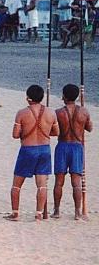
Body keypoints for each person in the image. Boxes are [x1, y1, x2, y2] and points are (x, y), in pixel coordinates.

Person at [5, 85, 59, 221]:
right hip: (44, 149)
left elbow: (15, 135)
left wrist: (27, 132)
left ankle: (15, 213)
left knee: (16, 185)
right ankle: (39, 214)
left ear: (28, 98)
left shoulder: (22, 113)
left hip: (28, 150)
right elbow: (56, 132)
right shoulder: (51, 113)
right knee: (42, 185)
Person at [52, 84, 93, 220]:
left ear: (64, 96)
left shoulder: (58, 112)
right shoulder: (84, 112)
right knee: (76, 182)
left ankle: (57, 211)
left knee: (59, 181)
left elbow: (53, 131)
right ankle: (77, 212)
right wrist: (82, 119)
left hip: (63, 146)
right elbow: (90, 128)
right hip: (77, 147)